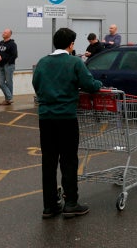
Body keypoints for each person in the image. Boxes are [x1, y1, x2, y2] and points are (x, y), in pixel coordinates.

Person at [32, 28, 102, 218]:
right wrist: (98, 85)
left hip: (46, 118)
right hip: (66, 118)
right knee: (69, 160)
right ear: (71, 45)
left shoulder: (42, 62)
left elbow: (36, 84)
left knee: (49, 162)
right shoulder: (74, 62)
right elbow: (89, 85)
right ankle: (71, 203)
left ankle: (49, 206)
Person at [0, 28, 18, 106]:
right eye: (3, 32)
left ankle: (8, 100)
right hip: (1, 66)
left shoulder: (12, 44)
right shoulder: (0, 43)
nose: (3, 33)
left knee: (9, 82)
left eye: (5, 32)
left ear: (9, 34)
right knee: (0, 83)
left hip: (9, 65)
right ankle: (9, 97)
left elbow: (14, 55)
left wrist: (5, 60)